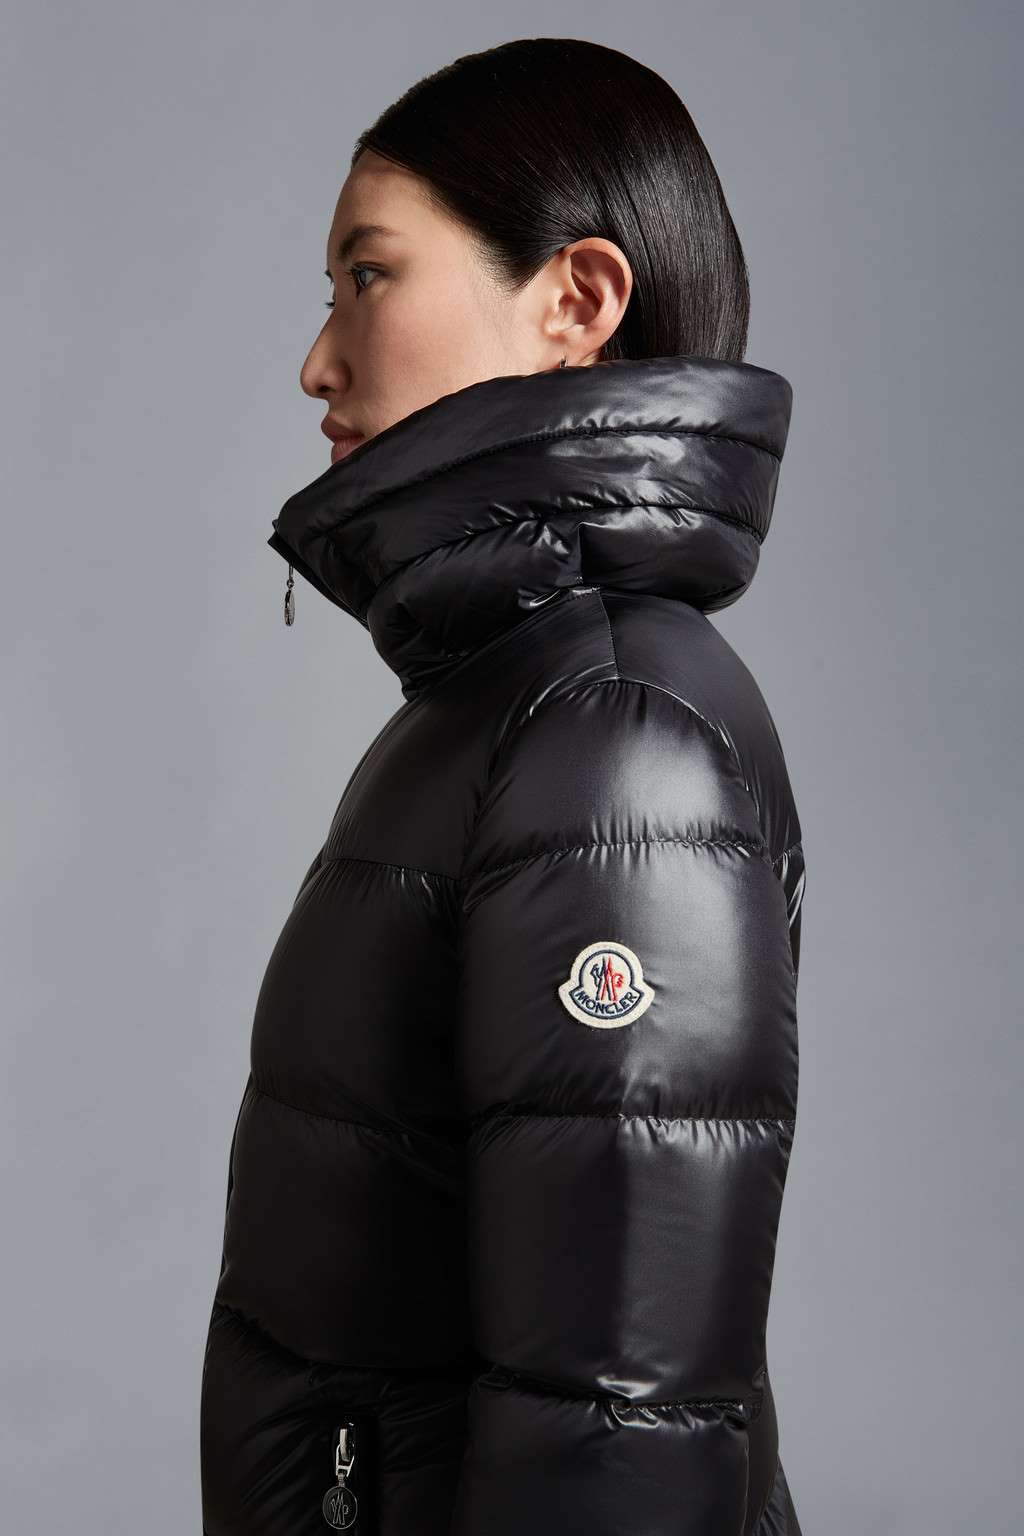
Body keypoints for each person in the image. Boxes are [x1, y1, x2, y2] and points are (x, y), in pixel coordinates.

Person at [200, 36, 805, 1536]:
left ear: (577, 302)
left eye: (369, 276)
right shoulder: (510, 703)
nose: (318, 360)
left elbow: (616, 1430)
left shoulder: (610, 732)